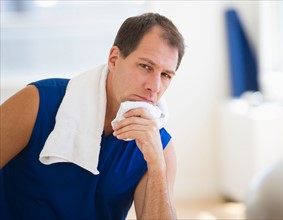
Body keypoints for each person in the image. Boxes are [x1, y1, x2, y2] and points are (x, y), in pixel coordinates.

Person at [0, 13, 185, 220]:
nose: (154, 86)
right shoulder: (37, 103)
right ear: (114, 59)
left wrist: (157, 165)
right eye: (145, 67)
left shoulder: (159, 147)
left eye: (165, 75)